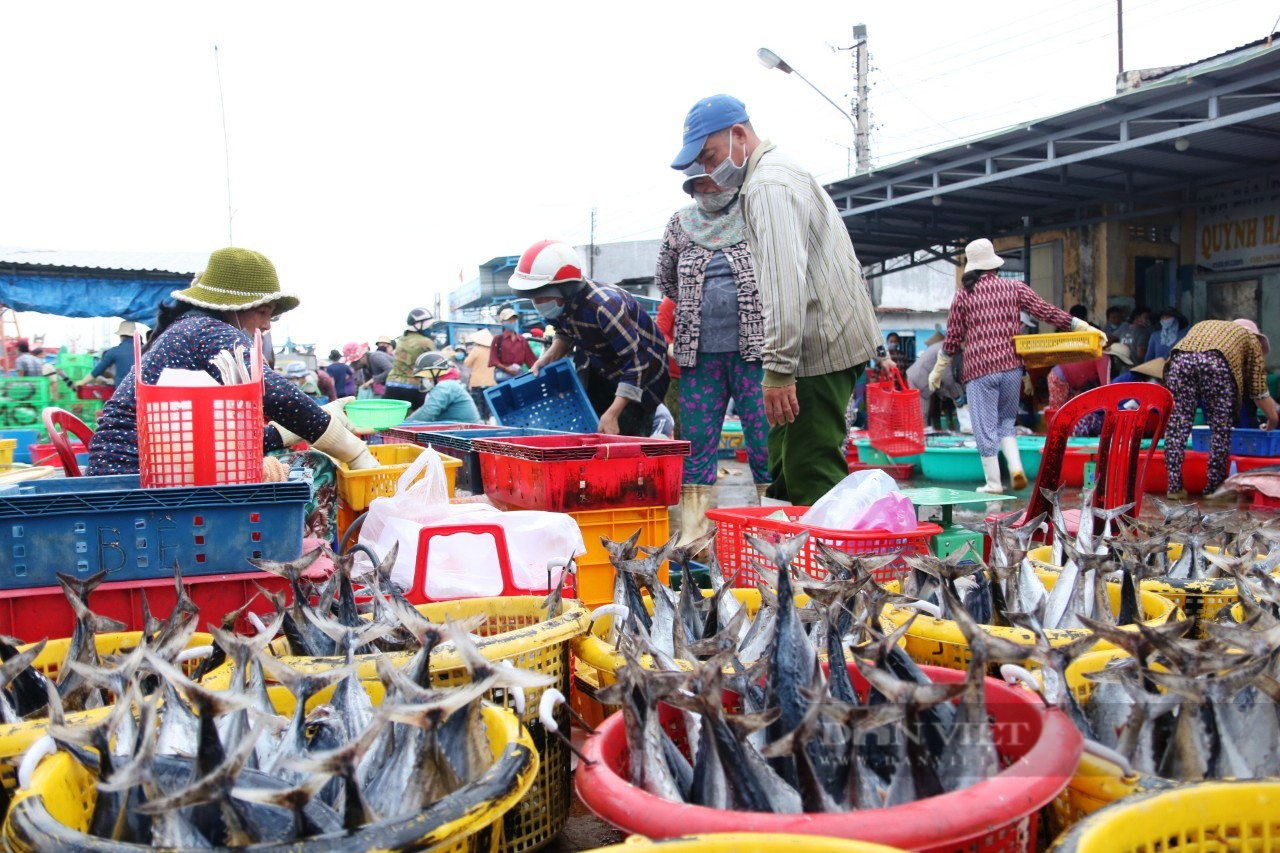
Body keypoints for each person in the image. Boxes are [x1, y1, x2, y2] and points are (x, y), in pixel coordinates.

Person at [671, 94, 888, 506]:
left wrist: (778, 369)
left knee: (810, 469)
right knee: (784, 465)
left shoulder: (768, 184)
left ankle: (830, 567)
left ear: (739, 135)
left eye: (712, 156)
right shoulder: (771, 176)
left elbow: (783, 282)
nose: (711, 170)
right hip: (815, 342)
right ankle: (789, 559)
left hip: (820, 346)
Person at [87, 247, 377, 475]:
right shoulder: (208, 331)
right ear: (237, 307)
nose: (267, 325)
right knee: (316, 468)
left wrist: (314, 420)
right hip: (135, 475)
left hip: (142, 467)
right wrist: (355, 452)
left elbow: (222, 444)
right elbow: (275, 394)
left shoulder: (191, 329)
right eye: (264, 312)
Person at [930, 238, 1100, 493]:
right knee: (1006, 422)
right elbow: (1046, 311)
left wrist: (938, 369)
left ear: (972, 267)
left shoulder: (963, 296)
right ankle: (1016, 468)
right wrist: (1079, 325)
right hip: (1011, 369)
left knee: (984, 427)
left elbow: (952, 338)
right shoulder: (1014, 287)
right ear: (994, 265)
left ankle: (993, 483)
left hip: (980, 370)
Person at [656, 164, 769, 541]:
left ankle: (774, 528)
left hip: (752, 353)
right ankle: (694, 534)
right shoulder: (680, 224)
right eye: (699, 182)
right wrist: (693, 305)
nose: (707, 187)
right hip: (698, 356)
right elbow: (666, 279)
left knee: (762, 436)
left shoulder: (754, 215)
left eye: (713, 179)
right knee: (698, 442)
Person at [511, 239, 668, 436]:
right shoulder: (558, 306)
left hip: (642, 377)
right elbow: (565, 334)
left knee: (628, 437)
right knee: (595, 433)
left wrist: (613, 413)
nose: (537, 303)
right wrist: (547, 359)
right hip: (601, 369)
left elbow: (636, 362)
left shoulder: (605, 306)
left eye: (541, 296)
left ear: (565, 290)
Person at [1164, 318, 1278, 500]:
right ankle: (1213, 490)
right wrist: (1272, 419)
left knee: (1178, 426)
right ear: (1257, 338)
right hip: (1216, 364)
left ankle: (1174, 488)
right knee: (1220, 428)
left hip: (1179, 362)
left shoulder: (1207, 325)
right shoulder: (1250, 340)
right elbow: (1259, 392)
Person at [1047, 342, 1135, 436]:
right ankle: (1054, 438)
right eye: (1121, 364)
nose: (1121, 367)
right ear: (1116, 359)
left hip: (1071, 383)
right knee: (1058, 412)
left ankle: (1062, 436)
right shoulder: (1104, 359)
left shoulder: (1101, 358)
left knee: (1069, 413)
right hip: (1060, 378)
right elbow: (1107, 388)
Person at [405, 351, 482, 424]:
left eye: (425, 377)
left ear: (434, 373)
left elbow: (428, 411)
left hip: (465, 433)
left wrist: (402, 426)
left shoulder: (446, 386)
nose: (425, 380)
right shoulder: (448, 384)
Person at [383, 308, 436, 410]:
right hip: (412, 385)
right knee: (414, 420)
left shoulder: (401, 339)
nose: (430, 327)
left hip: (392, 383)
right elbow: (434, 363)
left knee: (391, 418)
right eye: (428, 325)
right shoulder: (426, 342)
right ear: (419, 325)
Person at [907, 332, 962, 430]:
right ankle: (920, 439)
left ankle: (921, 435)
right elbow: (947, 377)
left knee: (922, 413)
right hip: (920, 380)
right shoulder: (945, 350)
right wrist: (957, 396)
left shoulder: (945, 347)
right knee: (921, 414)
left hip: (921, 379)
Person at [77, 321, 138, 387]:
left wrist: (82, 382)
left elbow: (98, 370)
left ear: (121, 336)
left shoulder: (115, 351)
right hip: (143, 391)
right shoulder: (145, 350)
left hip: (123, 391)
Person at [655, 296, 682, 439]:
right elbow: (660, 331)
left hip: (701, 372)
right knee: (675, 420)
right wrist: (672, 347)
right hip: (674, 375)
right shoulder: (671, 301)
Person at [491, 307, 536, 383]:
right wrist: (506, 368)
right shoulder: (497, 339)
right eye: (509, 319)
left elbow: (531, 361)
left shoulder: (522, 340)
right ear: (502, 322)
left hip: (518, 376)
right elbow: (493, 360)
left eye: (514, 319)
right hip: (503, 378)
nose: (512, 322)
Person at [464, 328, 497, 421]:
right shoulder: (493, 351)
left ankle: (481, 422)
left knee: (479, 404)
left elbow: (467, 363)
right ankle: (490, 421)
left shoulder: (476, 350)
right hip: (491, 381)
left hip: (477, 381)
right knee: (489, 404)